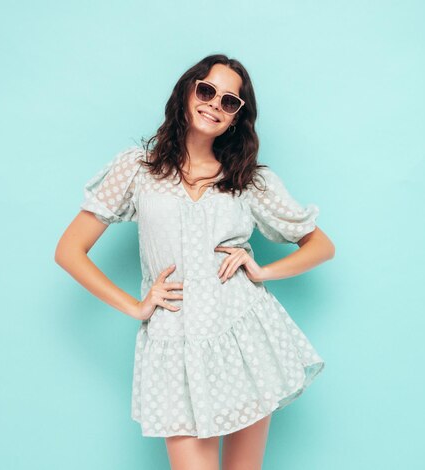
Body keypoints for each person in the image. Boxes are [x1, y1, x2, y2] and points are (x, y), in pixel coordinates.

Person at [55, 54, 336, 470]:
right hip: (173, 342)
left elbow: (321, 246)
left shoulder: (248, 179)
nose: (214, 104)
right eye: (206, 91)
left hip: (244, 335)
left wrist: (262, 270)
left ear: (237, 117)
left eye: (229, 101)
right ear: (188, 92)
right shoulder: (137, 168)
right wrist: (136, 307)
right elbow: (69, 250)